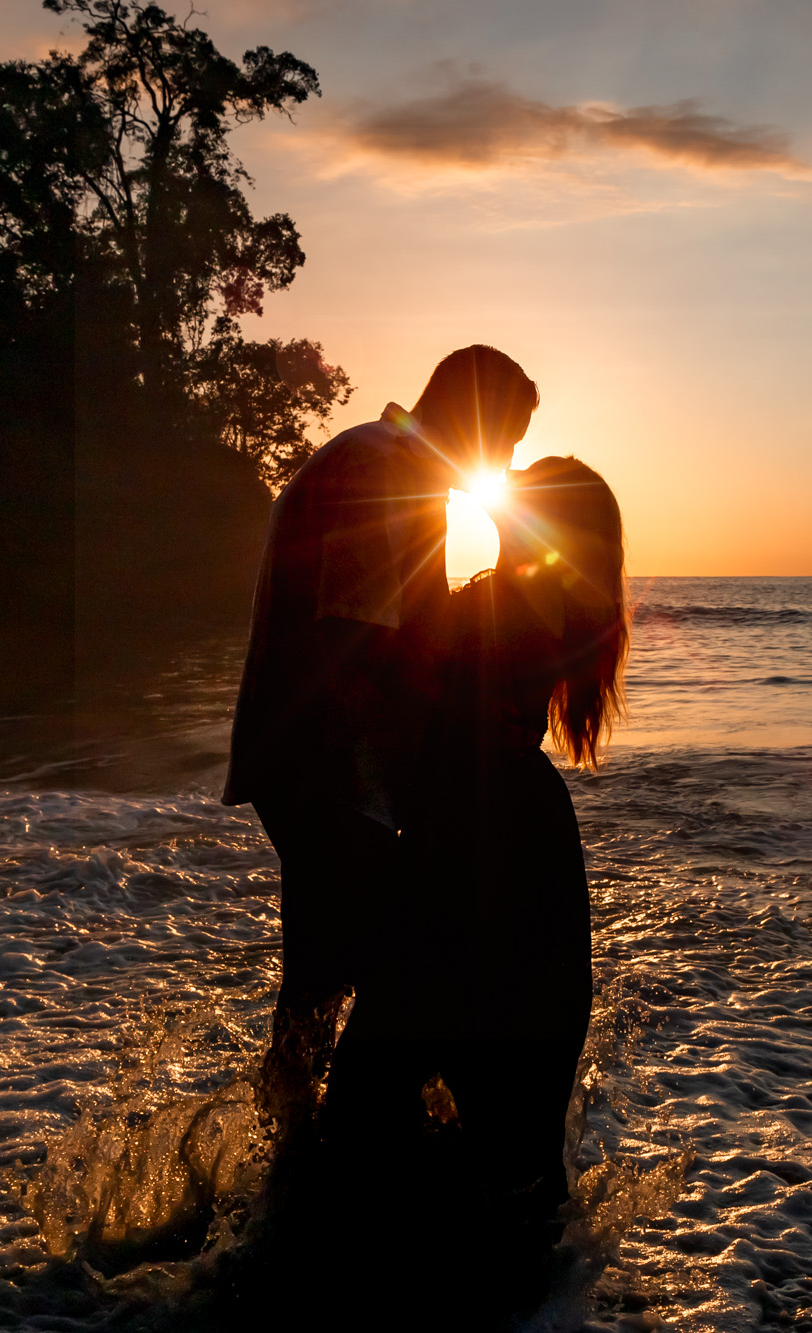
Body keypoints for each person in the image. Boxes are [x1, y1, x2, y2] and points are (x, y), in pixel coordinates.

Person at [322, 455, 629, 1299]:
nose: (506, 482)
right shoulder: (559, 609)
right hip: (517, 843)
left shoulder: (503, 599)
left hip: (469, 843)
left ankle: (335, 1277)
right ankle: (537, 1298)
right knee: (516, 1123)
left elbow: (387, 654)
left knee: (369, 1104)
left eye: (525, 483)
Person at [221, 344, 540, 1137]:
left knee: (323, 979)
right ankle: (332, 1165)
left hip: (315, 763)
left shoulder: (383, 460)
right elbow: (354, 643)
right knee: (400, 975)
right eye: (504, 442)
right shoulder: (385, 472)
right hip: (328, 767)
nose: (501, 461)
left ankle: (286, 1165)